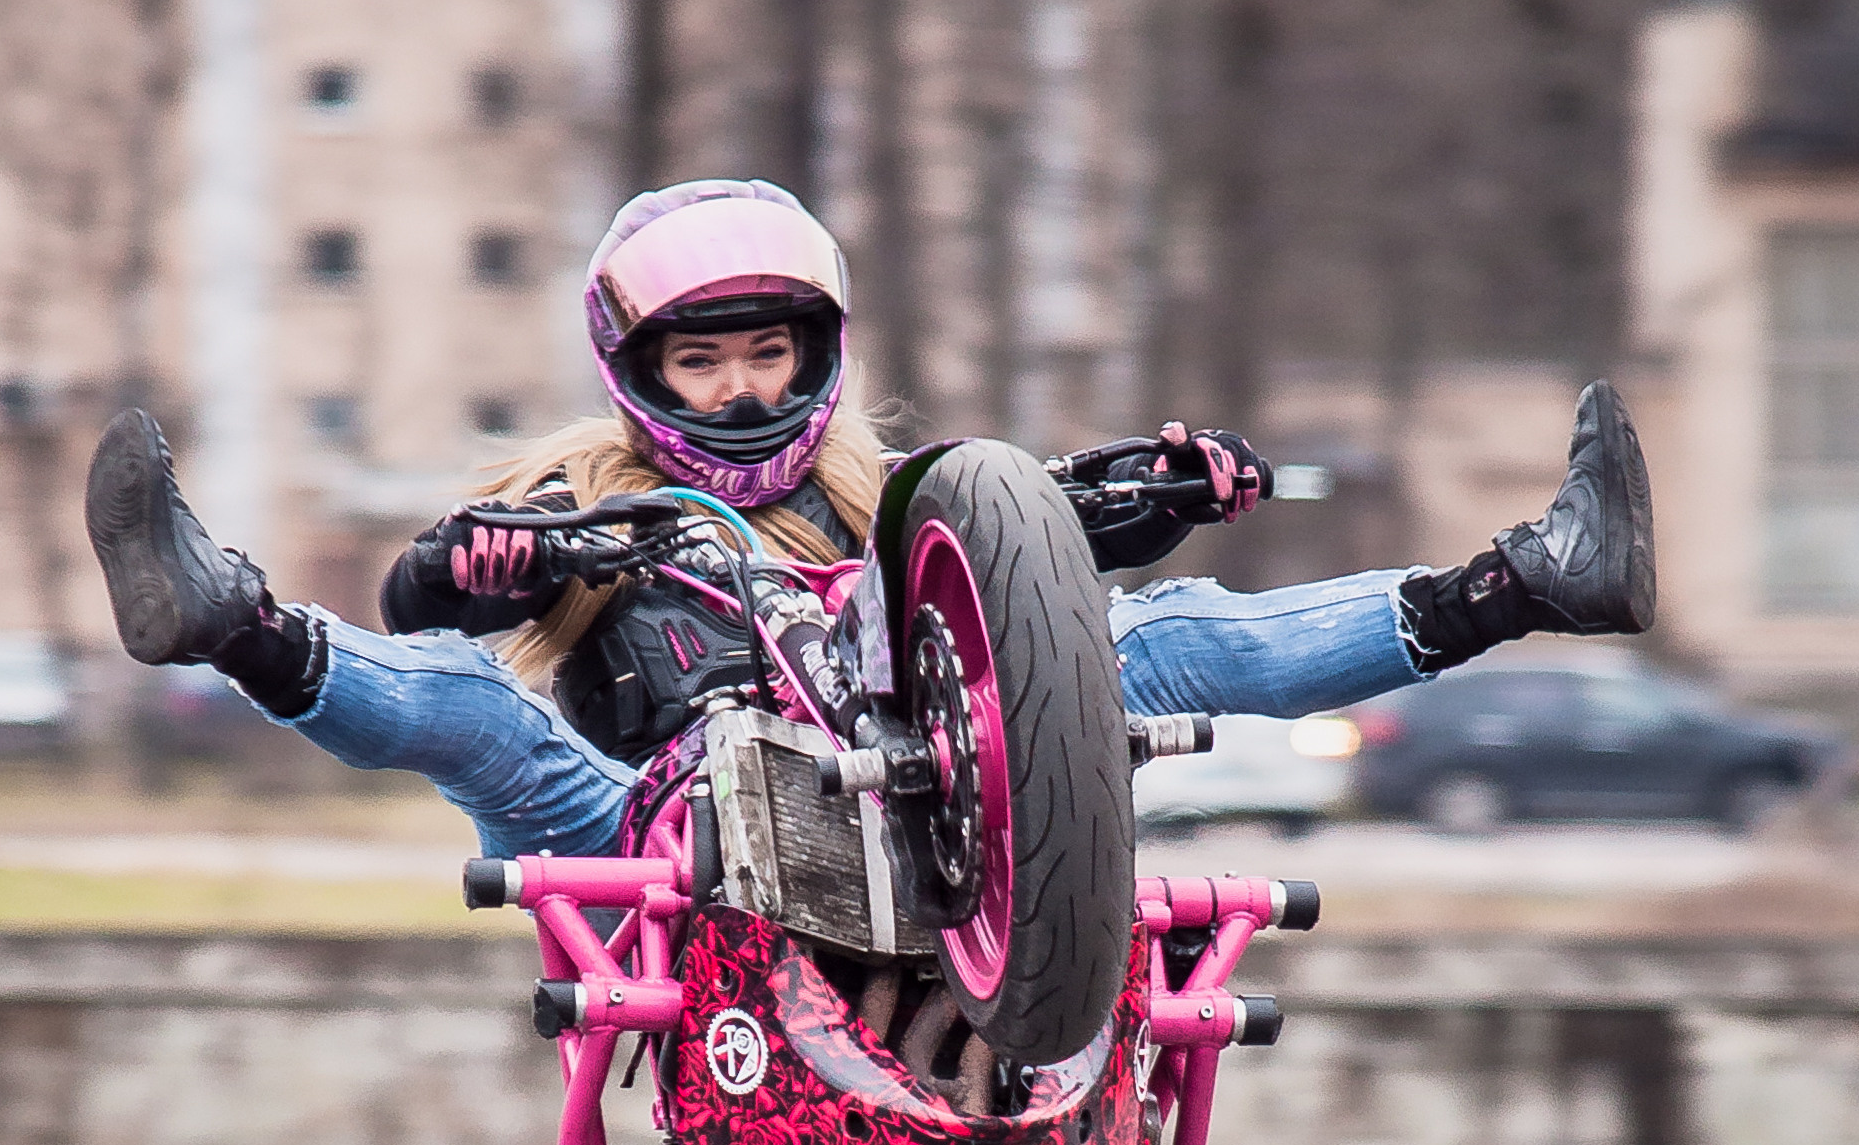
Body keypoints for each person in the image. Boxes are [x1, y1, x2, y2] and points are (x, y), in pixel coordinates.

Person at [85, 178, 1653, 859]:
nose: (738, 382)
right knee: (474, 725)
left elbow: (1020, 557)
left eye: (766, 351)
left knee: (1159, 644)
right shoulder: (573, 499)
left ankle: (1528, 582)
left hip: (900, 805)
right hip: (640, 835)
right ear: (640, 369)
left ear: (816, 354)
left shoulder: (880, 498)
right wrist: (481, 567)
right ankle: (220, 610)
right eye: (700, 358)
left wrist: (1173, 487)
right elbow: (425, 592)